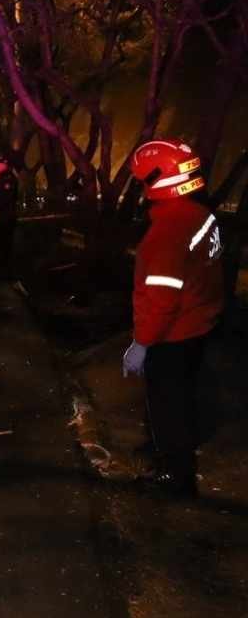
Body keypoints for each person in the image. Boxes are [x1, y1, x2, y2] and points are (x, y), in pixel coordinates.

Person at [121, 140, 223, 497]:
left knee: (168, 404)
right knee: (180, 398)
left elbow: (161, 302)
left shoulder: (165, 233)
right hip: (199, 325)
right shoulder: (201, 213)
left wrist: (141, 343)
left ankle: (175, 476)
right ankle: (162, 449)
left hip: (172, 334)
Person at [0, 156, 19, 280]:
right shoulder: (2, 178)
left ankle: (6, 272)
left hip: (6, 216)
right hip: (3, 216)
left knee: (5, 245)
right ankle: (4, 271)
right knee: (3, 245)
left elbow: (5, 199)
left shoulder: (8, 179)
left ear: (4, 165)